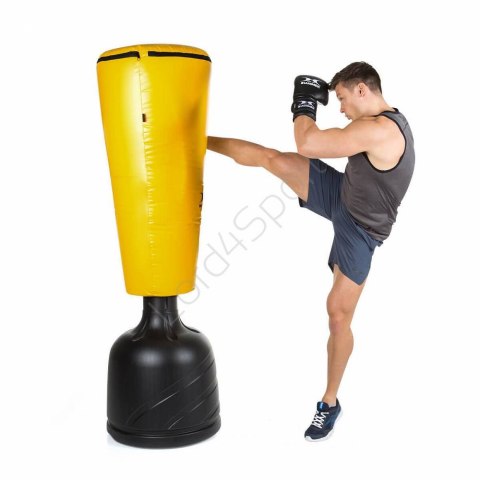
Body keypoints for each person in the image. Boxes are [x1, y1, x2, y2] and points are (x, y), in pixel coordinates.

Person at [207, 61, 415, 441]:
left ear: (362, 90)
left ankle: (329, 403)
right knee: (273, 159)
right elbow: (306, 148)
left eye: (342, 98)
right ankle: (198, 141)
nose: (341, 108)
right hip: (342, 195)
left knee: (337, 315)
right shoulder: (370, 126)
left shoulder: (380, 131)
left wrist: (304, 100)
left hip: (361, 232)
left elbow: (309, 142)